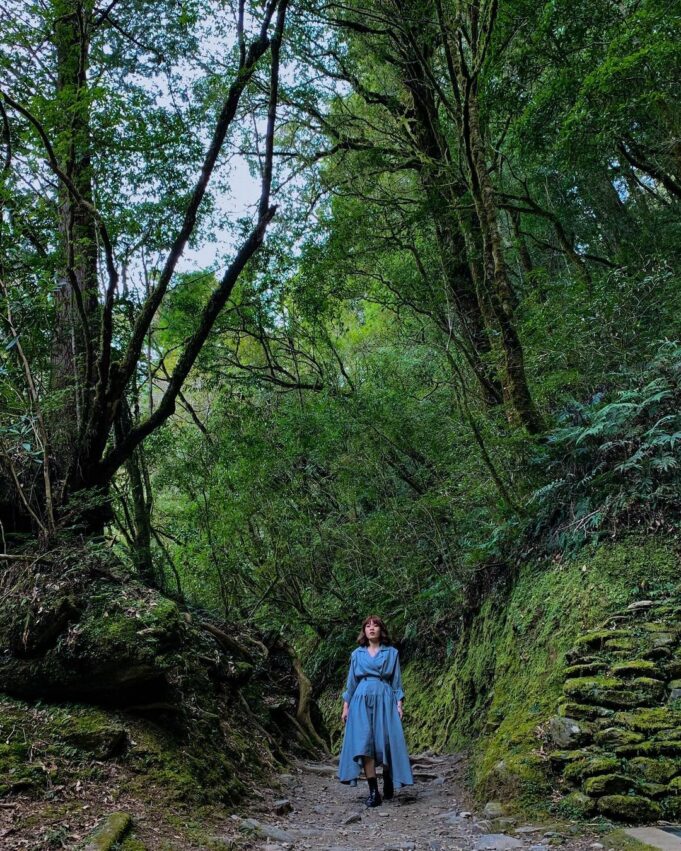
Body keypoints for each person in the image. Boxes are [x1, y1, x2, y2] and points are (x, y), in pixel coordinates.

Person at [337, 615, 414, 807]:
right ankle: (373, 792)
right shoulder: (357, 654)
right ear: (363, 631)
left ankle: (388, 778)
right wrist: (346, 707)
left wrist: (399, 703)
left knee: (385, 741)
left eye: (375, 625)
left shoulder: (392, 653)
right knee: (364, 744)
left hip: (385, 697)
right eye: (368, 626)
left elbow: (396, 681)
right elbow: (351, 683)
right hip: (360, 700)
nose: (371, 628)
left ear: (381, 630)